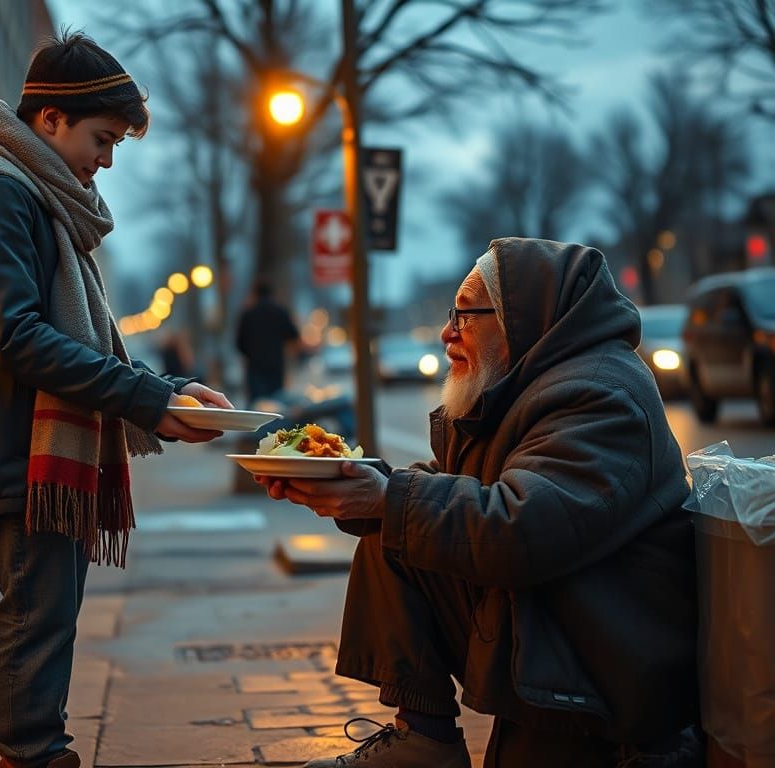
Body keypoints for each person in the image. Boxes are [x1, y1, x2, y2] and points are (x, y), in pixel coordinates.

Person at [256, 238, 700, 767]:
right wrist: (359, 490)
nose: (447, 333)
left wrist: (386, 497)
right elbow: (453, 495)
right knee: (392, 531)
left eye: (465, 316)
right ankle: (423, 739)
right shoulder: (524, 386)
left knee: (399, 513)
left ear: (525, 318)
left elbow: (523, 530)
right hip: (557, 615)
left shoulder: (599, 393)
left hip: (610, 655)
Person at [0, 31, 231, 768]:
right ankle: (33, 755)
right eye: (103, 137)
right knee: (37, 617)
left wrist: (169, 388)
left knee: (47, 617)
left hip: (34, 447)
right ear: (50, 119)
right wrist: (147, 400)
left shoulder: (34, 197)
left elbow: (70, 339)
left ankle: (38, 750)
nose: (108, 159)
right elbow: (18, 338)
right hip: (16, 449)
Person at [235, 279, 300, 403]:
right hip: (276, 366)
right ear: (272, 293)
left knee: (258, 405)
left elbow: (239, 343)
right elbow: (294, 335)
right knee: (277, 403)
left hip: (255, 367)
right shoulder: (280, 312)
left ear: (255, 294)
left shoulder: (248, 314)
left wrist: (251, 354)